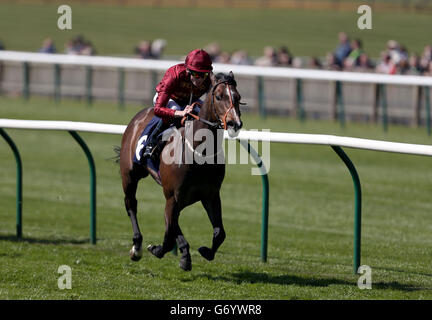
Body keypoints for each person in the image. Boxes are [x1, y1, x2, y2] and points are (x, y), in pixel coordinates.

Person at [140, 49, 213, 160]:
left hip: (188, 100)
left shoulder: (208, 80)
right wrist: (180, 113)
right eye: (196, 74)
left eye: (204, 74)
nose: (200, 79)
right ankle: (152, 142)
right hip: (169, 99)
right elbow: (158, 109)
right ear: (188, 70)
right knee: (175, 107)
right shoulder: (174, 74)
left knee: (206, 113)